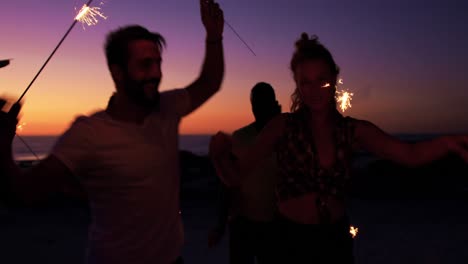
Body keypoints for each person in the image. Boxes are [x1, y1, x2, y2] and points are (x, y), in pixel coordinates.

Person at [209, 33, 468, 263]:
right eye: (305, 82)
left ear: (334, 78)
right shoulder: (282, 126)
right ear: (297, 85)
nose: (314, 90)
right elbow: (236, 176)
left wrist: (446, 142)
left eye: (321, 80)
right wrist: (219, 156)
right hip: (288, 238)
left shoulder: (352, 130)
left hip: (334, 239)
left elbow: (409, 155)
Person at [0, 0, 224, 263]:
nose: (156, 73)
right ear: (117, 72)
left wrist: (213, 36)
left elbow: (209, 82)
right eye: (145, 64)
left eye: (158, 63)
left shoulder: (167, 107)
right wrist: (2, 142)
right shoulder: (89, 133)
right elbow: (25, 192)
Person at [208, 82, 281, 264]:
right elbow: (227, 184)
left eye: (263, 102)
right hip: (243, 224)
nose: (259, 108)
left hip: (276, 226)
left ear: (274, 103)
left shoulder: (286, 136)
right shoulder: (240, 137)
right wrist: (221, 223)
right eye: (256, 103)